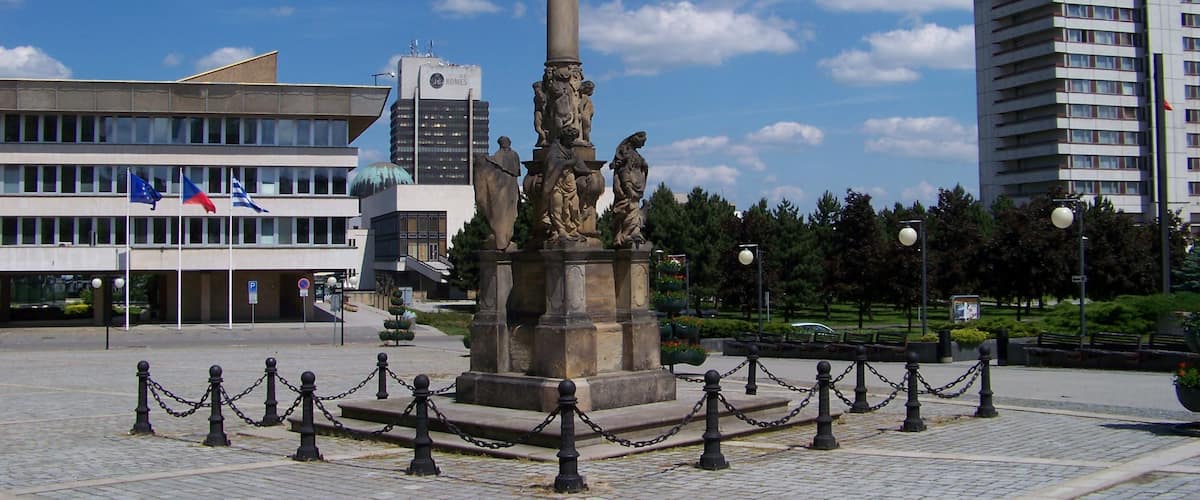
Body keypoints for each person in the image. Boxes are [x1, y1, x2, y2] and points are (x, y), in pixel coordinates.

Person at [472, 136, 521, 251]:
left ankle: (504, 237)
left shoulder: (513, 155)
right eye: (503, 143)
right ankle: (502, 238)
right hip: (502, 193)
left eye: (506, 142)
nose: (505, 144)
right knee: (500, 213)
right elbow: (494, 162)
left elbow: (514, 171)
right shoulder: (502, 156)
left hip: (510, 192)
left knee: (508, 214)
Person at [543, 127, 588, 244]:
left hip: (570, 183)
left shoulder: (571, 150)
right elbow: (551, 165)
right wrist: (568, 163)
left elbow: (580, 165)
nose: (572, 141)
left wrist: (586, 172)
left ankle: (572, 229)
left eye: (573, 139)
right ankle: (560, 230)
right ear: (564, 137)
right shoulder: (555, 150)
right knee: (557, 207)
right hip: (556, 183)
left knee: (573, 207)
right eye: (570, 139)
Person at [611, 131, 649, 247]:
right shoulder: (627, 153)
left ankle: (633, 233)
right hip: (629, 189)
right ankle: (625, 235)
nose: (643, 145)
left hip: (636, 187)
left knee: (634, 211)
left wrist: (644, 166)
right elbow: (624, 172)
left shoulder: (635, 154)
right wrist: (627, 186)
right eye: (642, 141)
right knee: (630, 210)